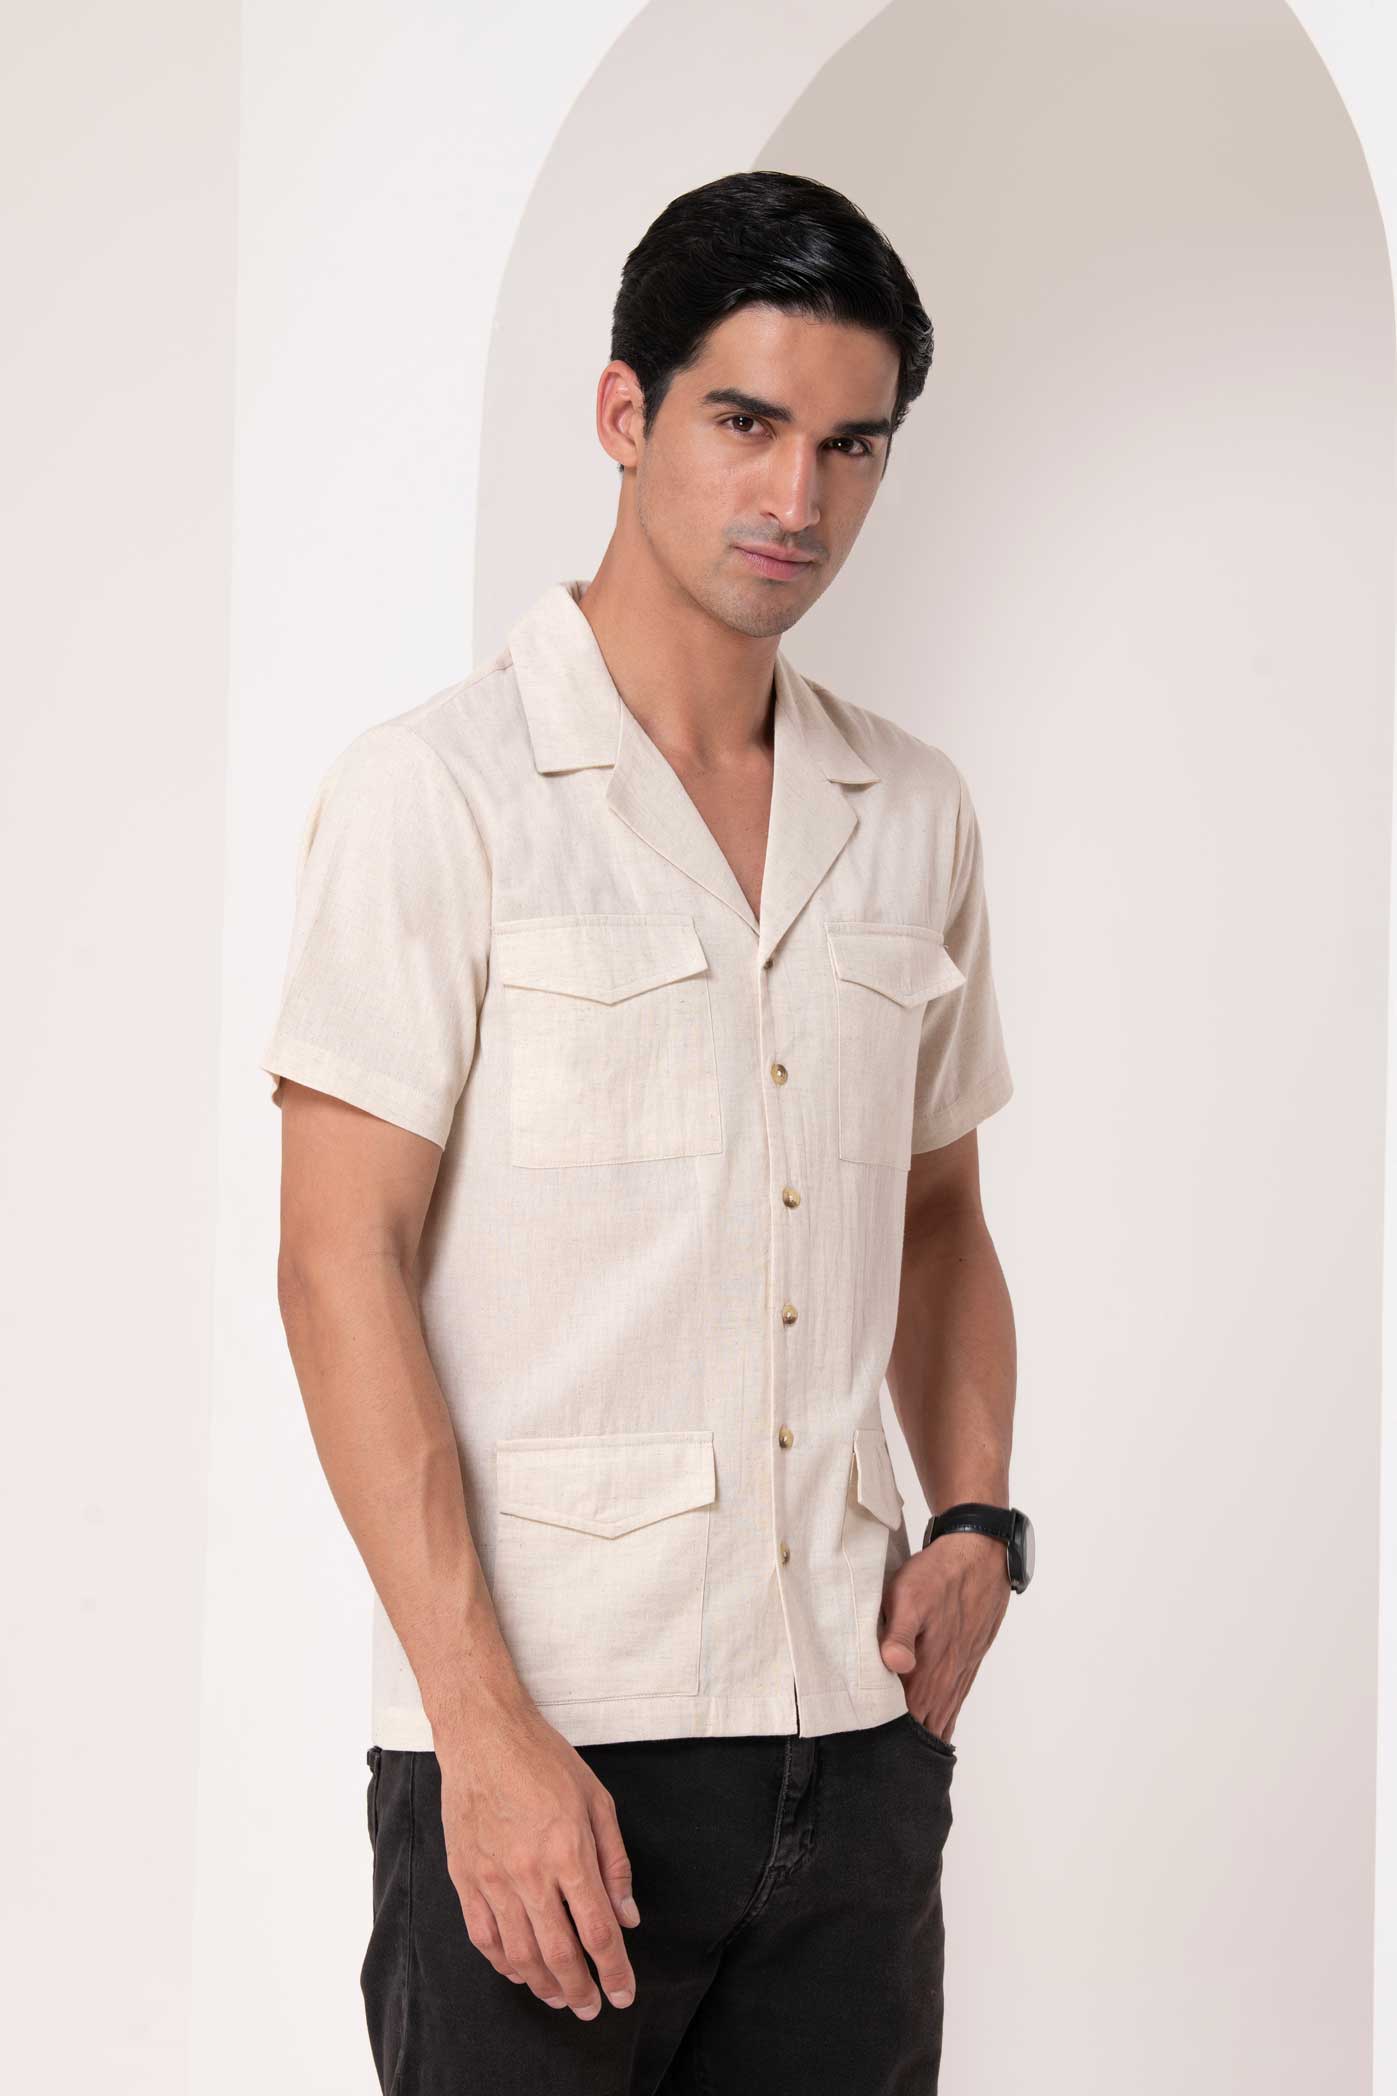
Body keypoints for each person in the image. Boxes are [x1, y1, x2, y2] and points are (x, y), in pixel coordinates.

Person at [259, 167, 1032, 2095]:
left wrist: (975, 1520)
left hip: (853, 1744)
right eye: (744, 423)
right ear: (626, 413)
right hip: (548, 1756)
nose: (796, 500)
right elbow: (335, 1262)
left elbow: (939, 1210)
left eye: (850, 447)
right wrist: (479, 1726)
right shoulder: (439, 797)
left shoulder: (912, 813)